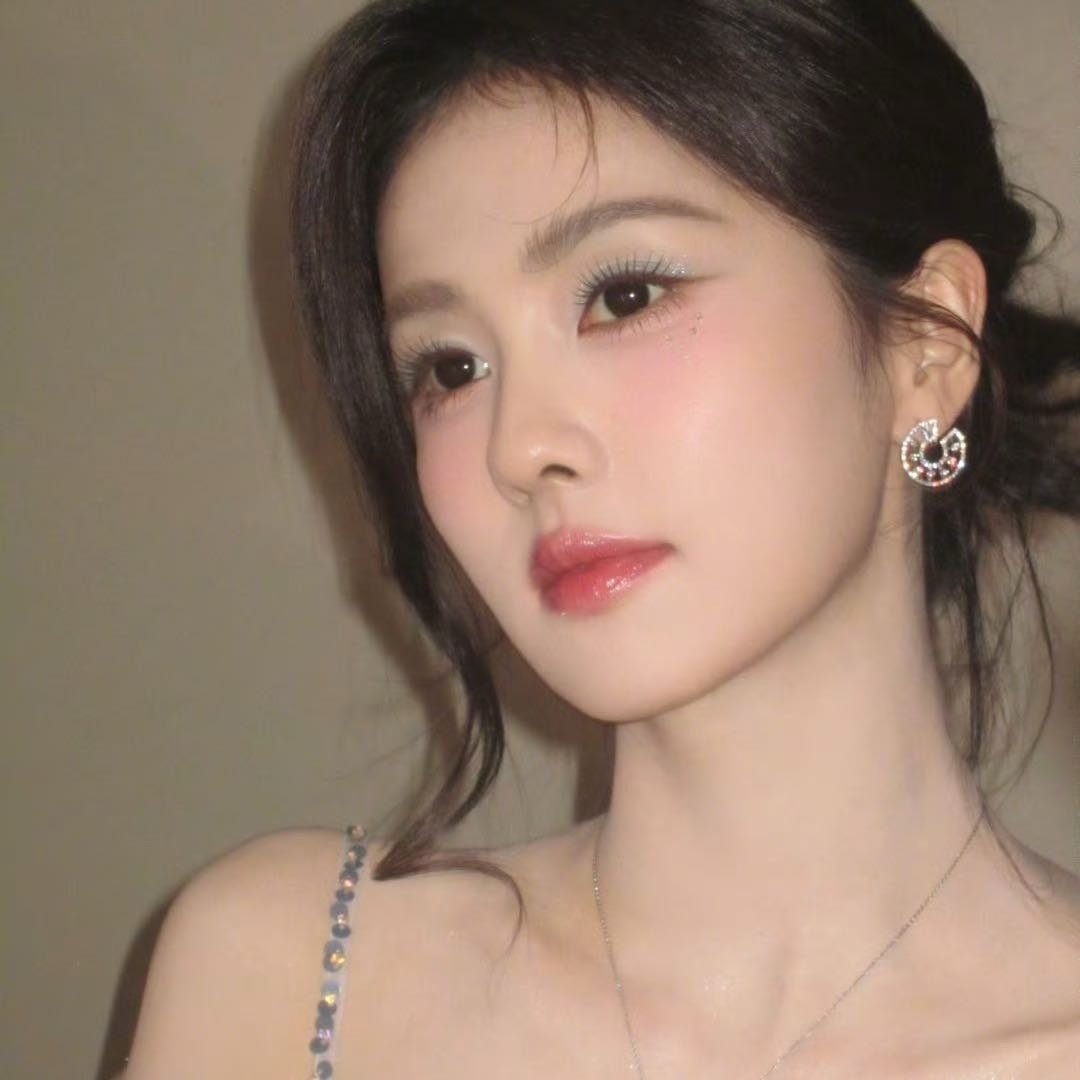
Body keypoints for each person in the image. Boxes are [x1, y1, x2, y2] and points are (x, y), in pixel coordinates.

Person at [124, 1, 1080, 1076]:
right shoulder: (288, 979)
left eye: (624, 296)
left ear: (925, 346)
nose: (519, 447)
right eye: (449, 367)